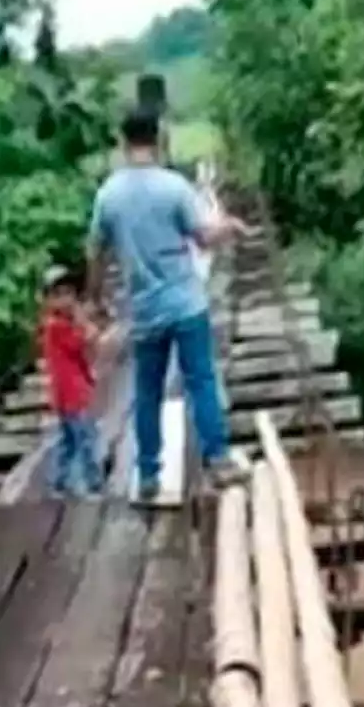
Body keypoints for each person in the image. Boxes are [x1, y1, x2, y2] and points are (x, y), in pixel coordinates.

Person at [85, 107, 252, 502]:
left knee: (147, 392)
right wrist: (229, 226)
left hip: (143, 310)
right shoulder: (174, 187)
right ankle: (218, 459)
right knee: (201, 381)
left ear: (123, 142)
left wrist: (96, 300)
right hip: (186, 304)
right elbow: (204, 239)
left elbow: (95, 252)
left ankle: (147, 474)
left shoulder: (108, 194)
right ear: (158, 137)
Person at [39, 265, 104, 497]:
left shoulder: (59, 326)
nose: (65, 300)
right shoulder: (56, 327)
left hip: (69, 393)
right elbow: (81, 344)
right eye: (57, 295)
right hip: (72, 394)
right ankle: (94, 483)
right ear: (47, 301)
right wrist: (85, 324)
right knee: (86, 438)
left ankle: (60, 481)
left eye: (69, 293)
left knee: (69, 440)